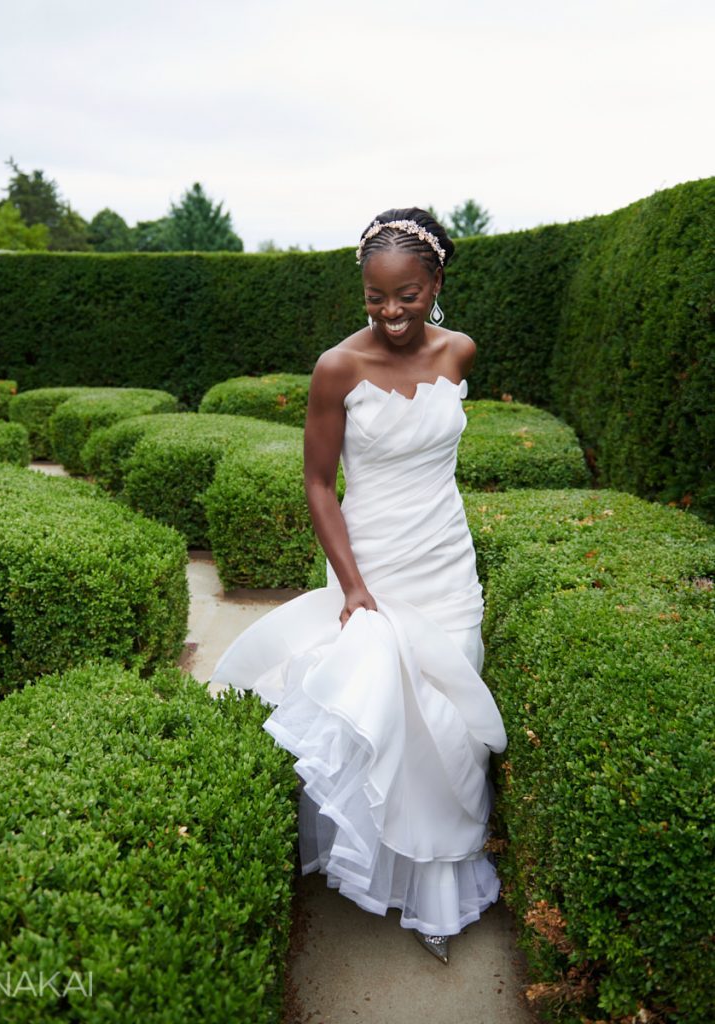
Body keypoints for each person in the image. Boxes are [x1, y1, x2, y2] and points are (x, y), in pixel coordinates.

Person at [210, 207, 508, 965]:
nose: (391, 312)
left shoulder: (460, 353)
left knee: (447, 723)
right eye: (377, 298)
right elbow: (316, 483)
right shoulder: (336, 367)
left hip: (445, 563)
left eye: (407, 295)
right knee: (383, 712)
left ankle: (435, 893)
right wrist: (349, 587)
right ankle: (386, 871)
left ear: (434, 283)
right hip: (371, 565)